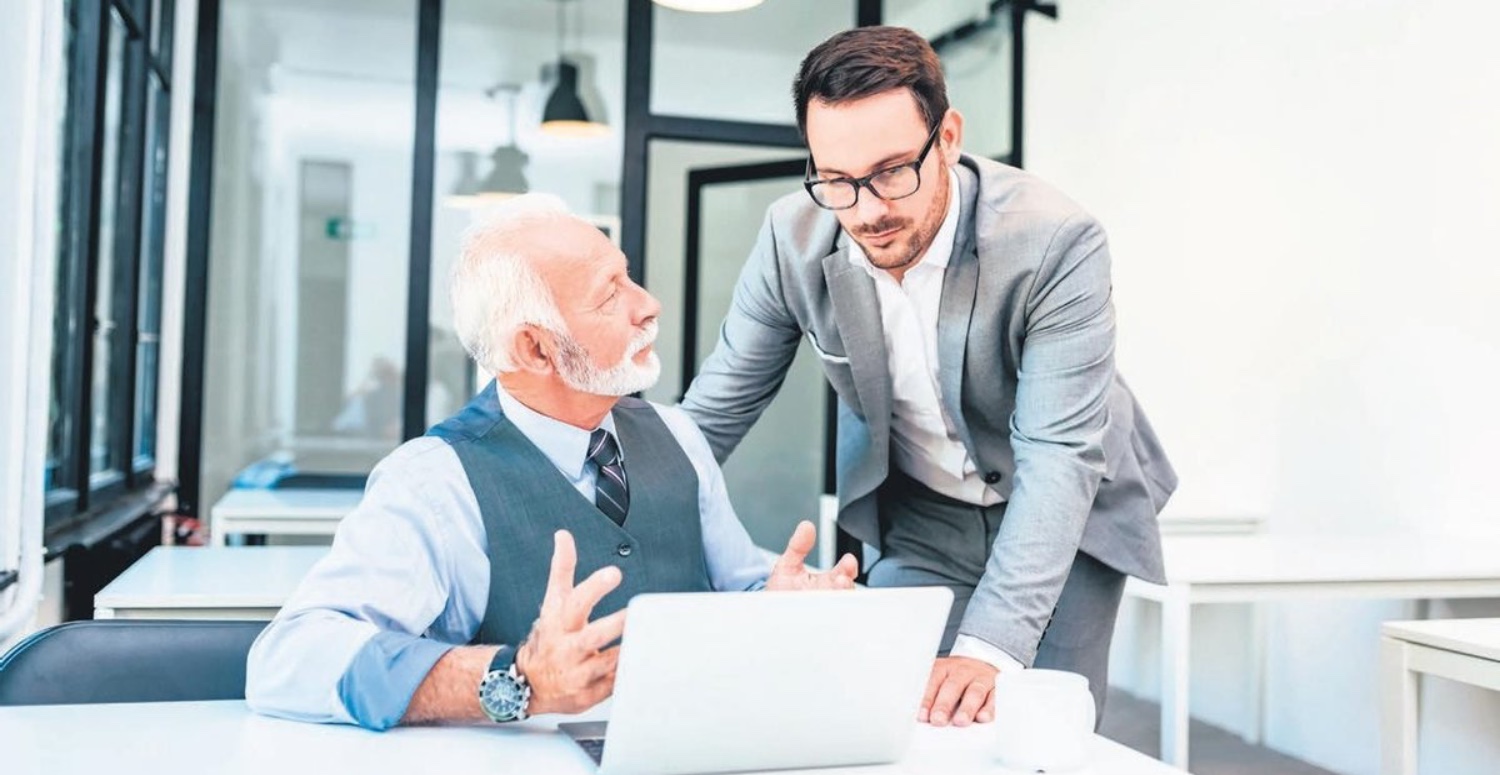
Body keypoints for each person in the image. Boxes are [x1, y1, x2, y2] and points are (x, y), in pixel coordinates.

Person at [680, 26, 1177, 729]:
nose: (867, 210)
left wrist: (988, 648)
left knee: (1039, 731)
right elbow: (714, 412)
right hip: (923, 516)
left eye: (890, 172)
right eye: (837, 181)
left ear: (947, 137)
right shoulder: (791, 238)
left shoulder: (1055, 242)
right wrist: (618, 523)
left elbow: (1058, 456)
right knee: (897, 715)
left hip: (1067, 514)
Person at [246, 195, 858, 730]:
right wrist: (514, 679)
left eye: (629, 277)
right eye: (609, 295)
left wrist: (779, 602)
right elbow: (289, 660)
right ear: (534, 348)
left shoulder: (677, 434)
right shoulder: (433, 482)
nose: (648, 305)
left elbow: (739, 584)